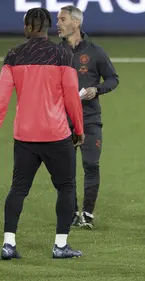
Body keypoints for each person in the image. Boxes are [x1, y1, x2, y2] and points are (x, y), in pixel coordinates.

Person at [0, 7, 85, 260]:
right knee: (66, 188)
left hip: (25, 136)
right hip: (57, 135)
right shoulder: (62, 54)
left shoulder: (13, 56)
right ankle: (60, 245)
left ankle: (8, 243)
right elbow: (72, 96)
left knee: (18, 188)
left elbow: (2, 100)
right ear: (47, 27)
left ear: (27, 27)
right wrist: (78, 129)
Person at [57, 5, 119, 229]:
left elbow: (113, 79)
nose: (58, 24)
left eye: (62, 20)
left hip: (90, 118)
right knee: (66, 170)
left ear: (76, 22)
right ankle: (72, 212)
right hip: (63, 120)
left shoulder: (95, 51)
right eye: (58, 20)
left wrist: (97, 89)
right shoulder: (57, 53)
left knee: (91, 165)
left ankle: (88, 214)